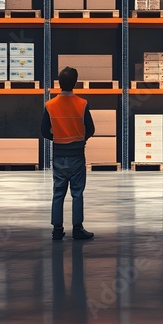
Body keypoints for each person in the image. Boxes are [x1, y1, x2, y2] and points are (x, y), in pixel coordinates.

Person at [41, 66, 95, 241]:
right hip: (77, 154)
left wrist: (57, 137)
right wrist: (81, 139)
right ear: (75, 83)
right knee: (77, 193)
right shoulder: (82, 103)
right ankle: (77, 229)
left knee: (58, 192)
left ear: (59, 83)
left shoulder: (50, 105)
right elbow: (91, 129)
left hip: (58, 154)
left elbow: (43, 131)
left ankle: (57, 230)